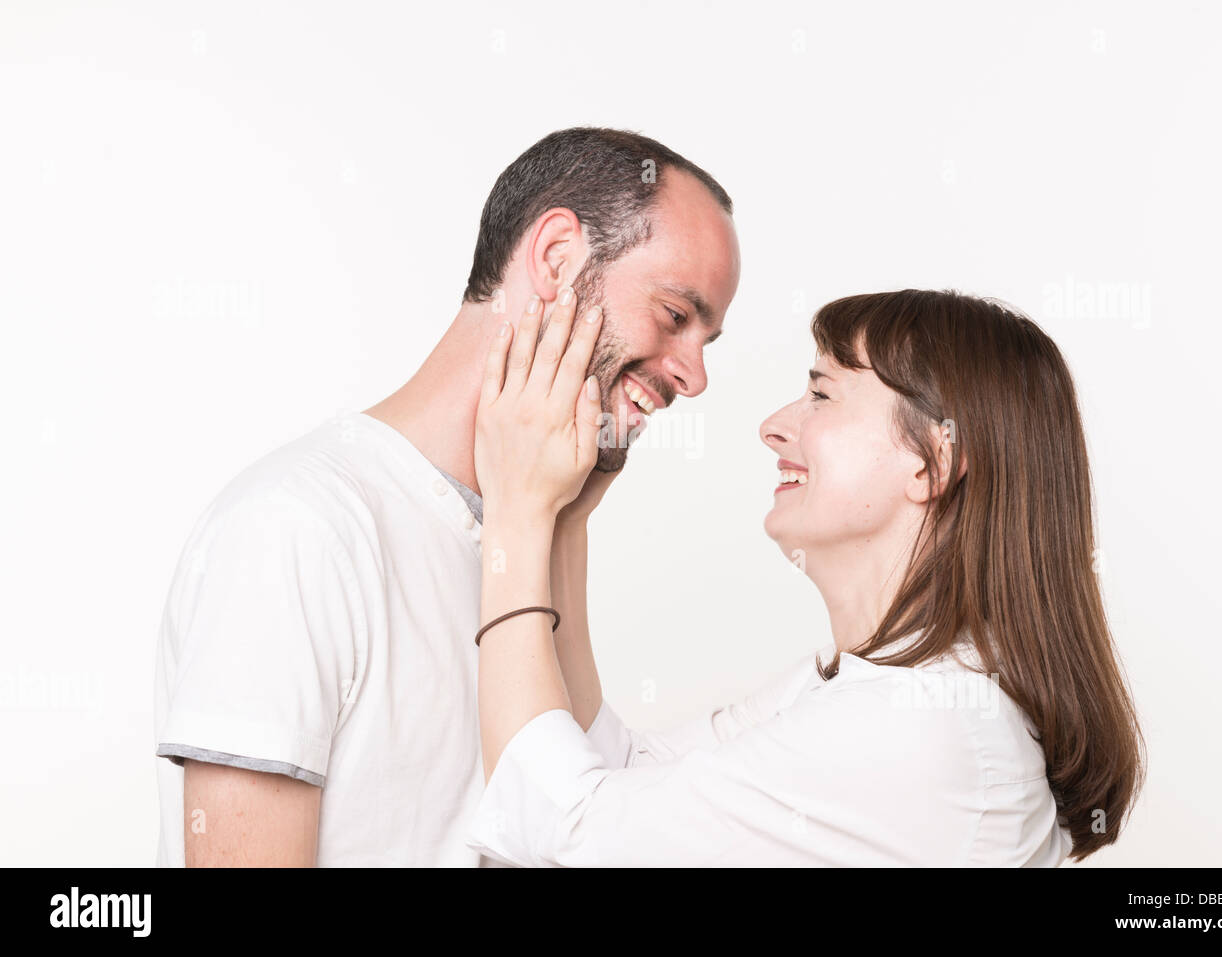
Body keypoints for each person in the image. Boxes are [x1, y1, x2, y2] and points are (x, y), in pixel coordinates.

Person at [152, 127, 741, 866]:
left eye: (706, 340)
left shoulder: (526, 545)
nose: (694, 377)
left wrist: (562, 525)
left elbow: (588, 830)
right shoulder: (298, 530)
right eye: (676, 316)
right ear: (558, 260)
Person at [467, 288, 1146, 866]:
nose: (773, 426)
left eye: (821, 393)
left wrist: (517, 511)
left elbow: (565, 837)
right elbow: (623, 774)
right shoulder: (860, 684)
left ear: (934, 461)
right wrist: (564, 525)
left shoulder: (921, 729)